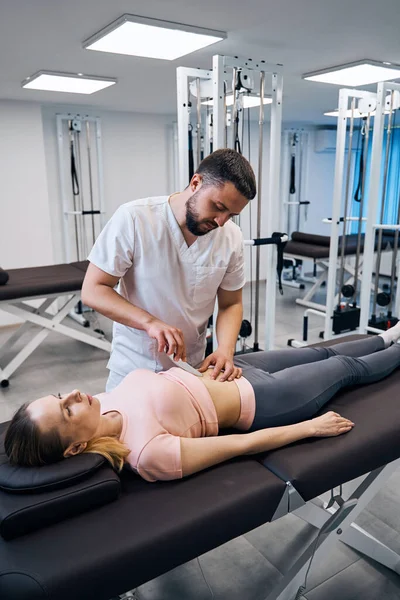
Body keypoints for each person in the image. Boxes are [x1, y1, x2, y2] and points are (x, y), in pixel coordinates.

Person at [5, 327, 400, 482]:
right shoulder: (148, 454)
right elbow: (240, 446)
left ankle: (386, 337)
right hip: (263, 400)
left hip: (233, 370)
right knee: (344, 367)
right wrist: (309, 428)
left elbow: (167, 390)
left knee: (319, 353)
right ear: (74, 448)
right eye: (66, 410)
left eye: (60, 397)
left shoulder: (101, 402)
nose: (73, 395)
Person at [81, 149, 257, 392]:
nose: (221, 221)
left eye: (231, 215)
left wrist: (225, 350)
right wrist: (149, 322)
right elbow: (93, 290)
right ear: (196, 183)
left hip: (191, 370)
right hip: (134, 369)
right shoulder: (135, 219)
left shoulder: (231, 237)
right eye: (218, 207)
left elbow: (230, 304)